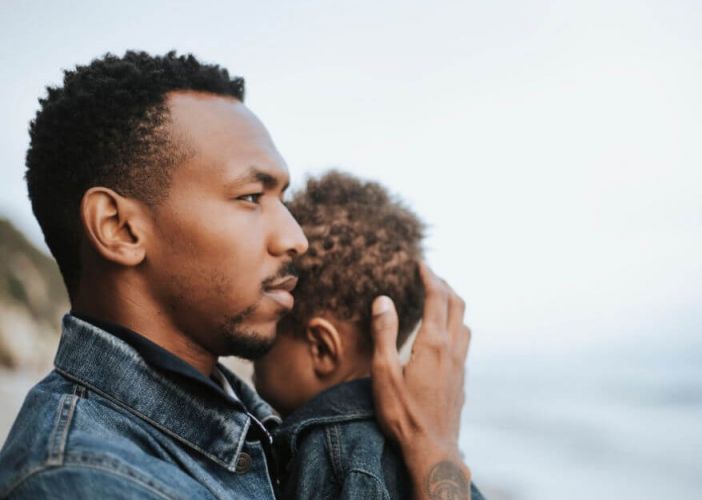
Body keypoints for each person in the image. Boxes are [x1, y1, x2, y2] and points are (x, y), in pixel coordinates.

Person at [0, 51, 472, 499]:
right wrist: (435, 452)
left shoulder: (251, 427)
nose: (295, 238)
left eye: (282, 199)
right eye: (251, 197)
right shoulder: (85, 478)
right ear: (119, 228)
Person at [253, 171, 483, 499]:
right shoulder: (421, 446)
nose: (255, 349)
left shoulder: (329, 448)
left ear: (322, 348)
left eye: (273, 321)